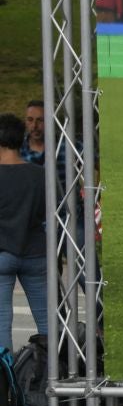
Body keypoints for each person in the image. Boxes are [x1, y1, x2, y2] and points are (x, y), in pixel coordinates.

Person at [0, 113, 48, 354]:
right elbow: (51, 213)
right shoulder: (39, 174)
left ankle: (4, 385)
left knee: (1, 326)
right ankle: (54, 378)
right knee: (48, 323)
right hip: (36, 253)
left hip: (2, 254)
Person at [21, 101, 44, 165]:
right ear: (25, 121)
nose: (34, 125)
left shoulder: (65, 145)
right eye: (30, 120)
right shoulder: (17, 148)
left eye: (40, 120)